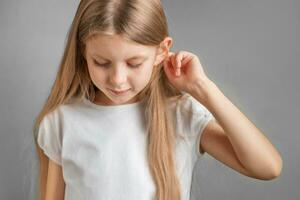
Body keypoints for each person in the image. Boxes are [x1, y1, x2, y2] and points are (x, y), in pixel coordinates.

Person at [32, 0, 283, 200]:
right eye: (102, 62)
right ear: (83, 52)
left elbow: (267, 167)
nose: (118, 79)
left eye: (134, 63)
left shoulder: (181, 115)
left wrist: (202, 87)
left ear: (161, 52)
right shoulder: (62, 122)